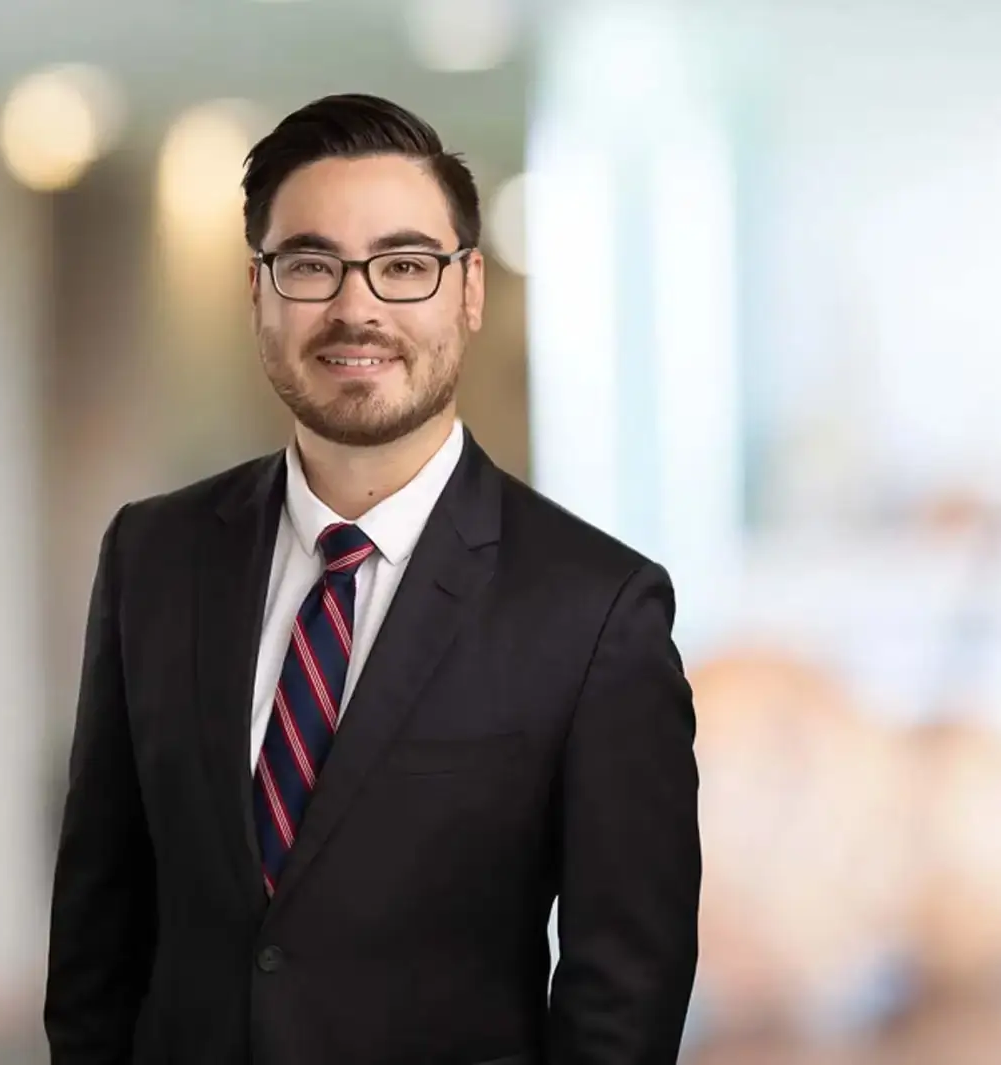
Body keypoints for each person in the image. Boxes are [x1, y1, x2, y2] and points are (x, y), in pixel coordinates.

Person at [44, 93, 700, 1065]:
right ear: (256, 292)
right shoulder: (151, 558)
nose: (358, 307)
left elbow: (624, 1005)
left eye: (404, 266)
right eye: (311, 264)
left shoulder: (596, 610)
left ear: (469, 290)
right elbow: (98, 946)